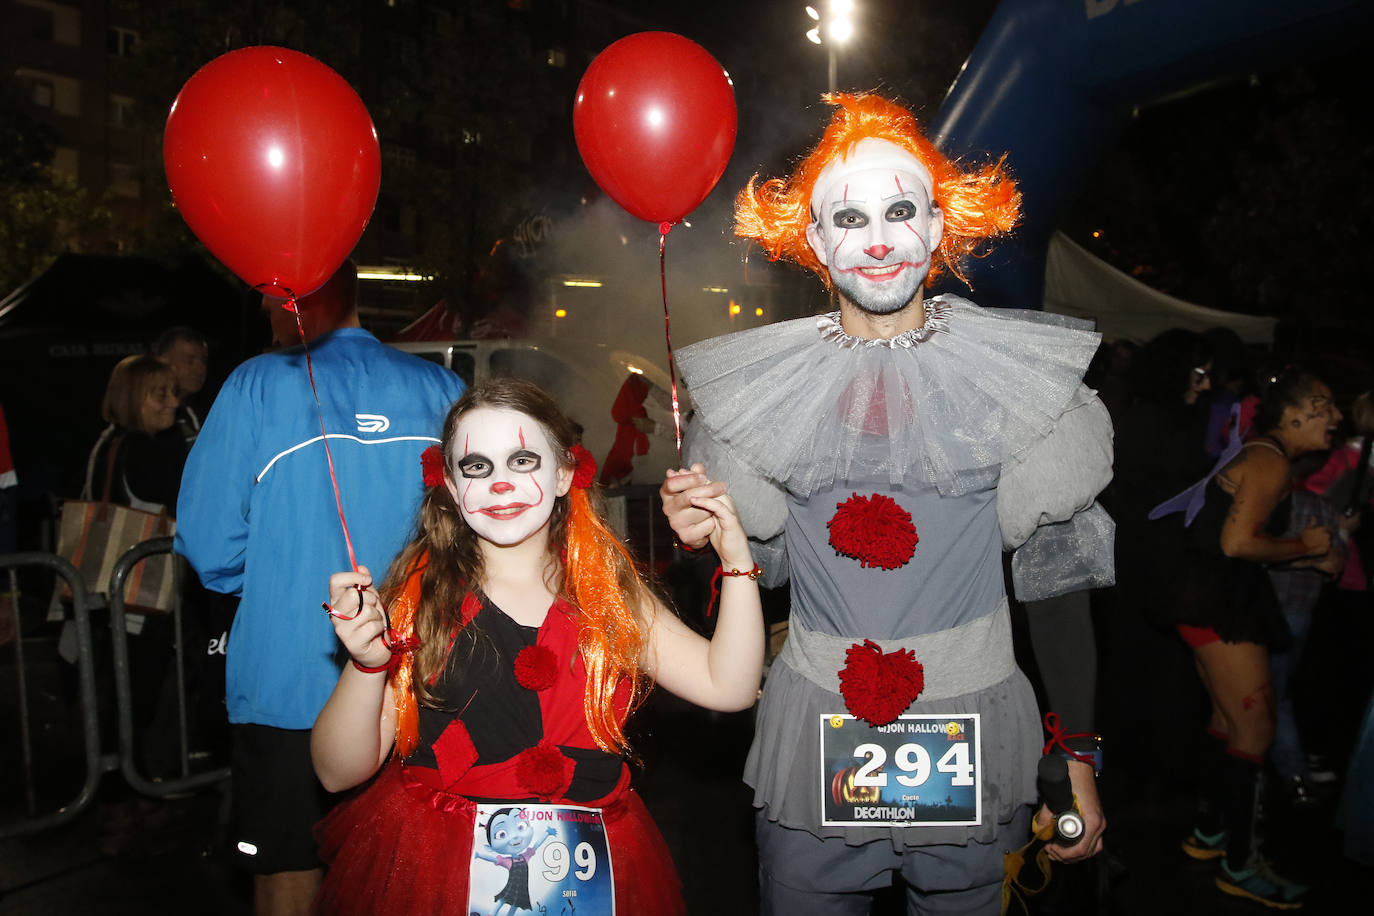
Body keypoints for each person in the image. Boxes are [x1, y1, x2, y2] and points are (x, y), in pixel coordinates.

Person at [660, 92, 1110, 914]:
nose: (875, 240)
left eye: (900, 210)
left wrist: (1076, 753)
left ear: (937, 228)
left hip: (970, 725)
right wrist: (716, 547)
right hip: (816, 733)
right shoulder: (767, 390)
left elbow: (1055, 579)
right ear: (816, 243)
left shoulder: (1006, 376)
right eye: (848, 217)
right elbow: (771, 564)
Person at [309, 378, 764, 915]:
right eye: (477, 467)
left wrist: (735, 560)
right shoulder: (418, 597)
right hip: (440, 868)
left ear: (565, 473)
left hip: (589, 863)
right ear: (451, 487)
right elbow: (337, 772)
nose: (501, 484)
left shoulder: (608, 596)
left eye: (522, 460)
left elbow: (729, 686)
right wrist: (368, 666)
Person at [175, 259, 467, 916]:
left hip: (291, 686)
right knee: (421, 873)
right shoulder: (441, 387)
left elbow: (210, 547)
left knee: (289, 879)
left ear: (287, 302)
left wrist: (284, 565)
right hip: (428, 681)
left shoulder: (256, 385)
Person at [1154, 367, 1341, 908]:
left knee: (1227, 720)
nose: (1335, 416)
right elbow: (1237, 544)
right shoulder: (1268, 460)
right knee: (1255, 730)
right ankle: (1241, 864)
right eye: (1324, 405)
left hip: (1206, 598)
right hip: (1219, 602)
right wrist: (1306, 544)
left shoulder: (1264, 454)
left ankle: (1212, 834)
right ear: (1294, 414)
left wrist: (1309, 548)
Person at [153, 326, 211, 447]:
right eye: (190, 361)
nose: (201, 369)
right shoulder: (143, 417)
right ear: (163, 362)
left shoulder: (200, 412)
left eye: (204, 361)